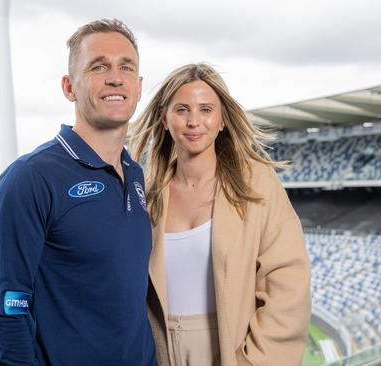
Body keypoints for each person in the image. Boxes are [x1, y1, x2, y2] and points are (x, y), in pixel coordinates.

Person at [0, 19, 156, 366]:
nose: (115, 77)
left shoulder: (136, 175)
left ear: (137, 85)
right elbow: (5, 311)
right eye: (98, 66)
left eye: (126, 67)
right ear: (68, 86)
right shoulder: (30, 178)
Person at [130, 63, 311, 366]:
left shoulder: (256, 184)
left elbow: (288, 283)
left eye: (206, 110)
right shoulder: (147, 197)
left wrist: (255, 361)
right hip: (162, 353)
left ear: (222, 120)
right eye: (182, 110)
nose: (193, 122)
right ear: (164, 119)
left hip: (232, 351)